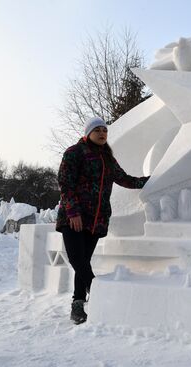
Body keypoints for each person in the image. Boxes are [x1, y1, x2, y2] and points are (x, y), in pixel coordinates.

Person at [56, 116, 150, 325]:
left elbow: (124, 179)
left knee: (83, 262)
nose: (102, 133)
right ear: (88, 133)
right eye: (97, 130)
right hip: (74, 218)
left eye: (104, 130)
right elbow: (65, 183)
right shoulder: (74, 153)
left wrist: (150, 181)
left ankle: (78, 305)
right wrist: (73, 213)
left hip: (96, 219)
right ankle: (97, 292)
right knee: (77, 259)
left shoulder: (107, 158)